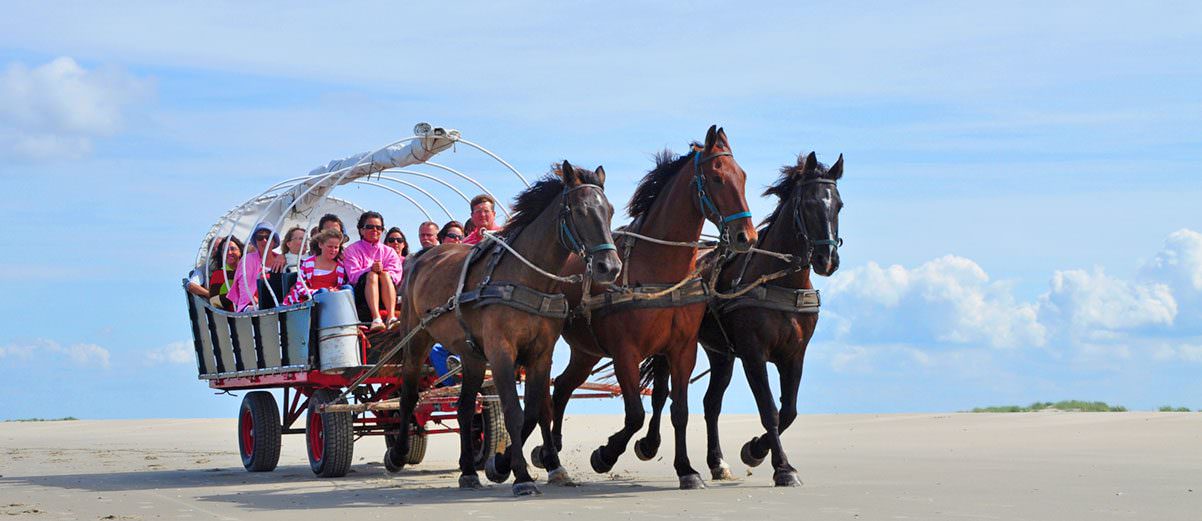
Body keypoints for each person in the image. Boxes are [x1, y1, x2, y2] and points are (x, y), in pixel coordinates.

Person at [342, 211, 403, 331]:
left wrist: (380, 272)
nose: (375, 230)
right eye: (370, 227)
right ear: (361, 230)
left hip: (386, 290)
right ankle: (376, 318)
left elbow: (396, 275)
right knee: (371, 275)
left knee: (385, 274)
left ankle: (391, 317)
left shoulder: (389, 251)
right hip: (362, 294)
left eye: (379, 227)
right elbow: (353, 276)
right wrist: (370, 269)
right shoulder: (351, 250)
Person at [283, 229, 349, 305]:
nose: (333, 250)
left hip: (334, 300)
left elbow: (341, 285)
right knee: (323, 292)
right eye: (330, 246)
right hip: (312, 301)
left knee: (348, 289)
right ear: (320, 245)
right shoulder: (307, 263)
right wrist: (319, 291)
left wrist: (333, 291)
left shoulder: (340, 265)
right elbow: (300, 286)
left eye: (336, 247)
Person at [228, 222, 283, 311]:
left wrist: (283, 256)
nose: (264, 240)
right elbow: (245, 288)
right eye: (259, 237)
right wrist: (260, 304)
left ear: (274, 241)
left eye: (268, 237)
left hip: (279, 305)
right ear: (256, 242)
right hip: (252, 306)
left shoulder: (282, 259)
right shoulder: (247, 260)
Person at [206, 236, 244, 311]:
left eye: (232, 249)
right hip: (232, 317)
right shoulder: (218, 274)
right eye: (225, 250)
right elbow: (214, 300)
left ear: (240, 251)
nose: (229, 252)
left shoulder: (250, 269)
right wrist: (239, 295)